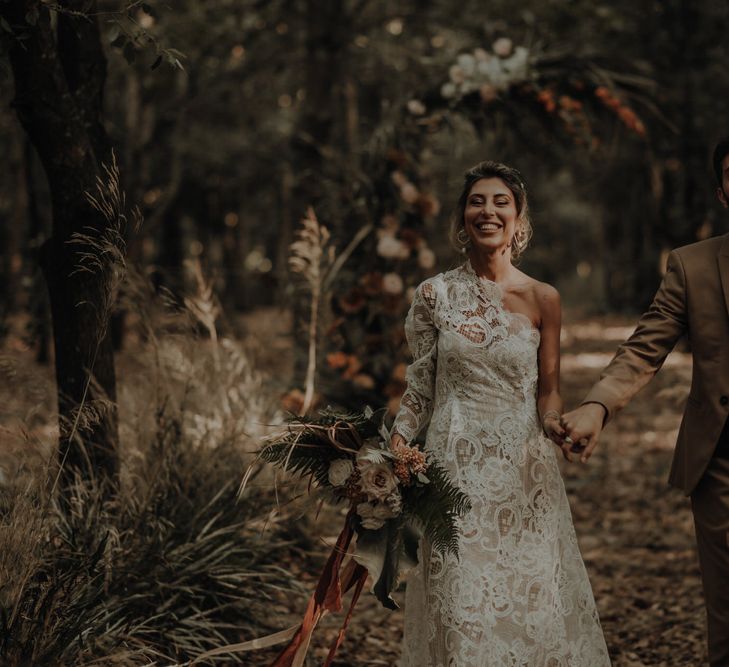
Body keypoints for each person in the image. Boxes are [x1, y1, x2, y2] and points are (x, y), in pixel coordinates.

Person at [390, 161, 610, 666]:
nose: (487, 211)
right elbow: (420, 387)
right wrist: (392, 457)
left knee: (531, 605)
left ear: (519, 216)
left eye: (500, 201)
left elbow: (548, 390)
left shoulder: (543, 298)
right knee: (460, 603)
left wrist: (555, 424)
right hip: (452, 471)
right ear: (462, 216)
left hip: (524, 474)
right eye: (476, 201)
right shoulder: (434, 295)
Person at [561, 136, 729, 666]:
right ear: (723, 190)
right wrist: (597, 405)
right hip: (723, 462)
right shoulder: (694, 266)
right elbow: (646, 346)